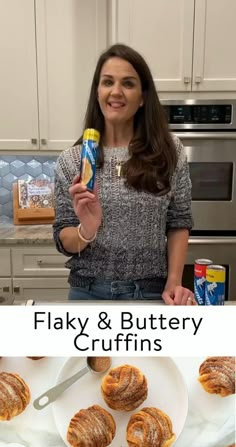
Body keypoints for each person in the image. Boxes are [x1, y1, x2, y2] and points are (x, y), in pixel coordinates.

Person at [53, 43, 195, 305]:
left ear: (142, 97)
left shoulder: (168, 151)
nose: (116, 91)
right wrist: (88, 229)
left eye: (128, 83)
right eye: (107, 82)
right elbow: (63, 237)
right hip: (88, 294)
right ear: (97, 92)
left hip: (152, 293)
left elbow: (178, 221)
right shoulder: (73, 161)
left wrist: (174, 280)